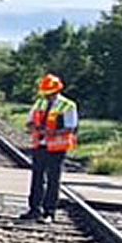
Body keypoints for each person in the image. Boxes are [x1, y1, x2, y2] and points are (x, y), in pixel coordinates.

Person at [25, 73, 78, 220]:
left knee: (53, 180)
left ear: (57, 91)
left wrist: (52, 133)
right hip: (40, 146)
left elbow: (71, 127)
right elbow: (29, 121)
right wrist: (34, 127)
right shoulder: (40, 103)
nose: (48, 97)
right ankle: (34, 209)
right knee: (37, 178)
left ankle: (49, 212)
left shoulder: (68, 105)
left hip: (57, 148)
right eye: (46, 94)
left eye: (50, 94)